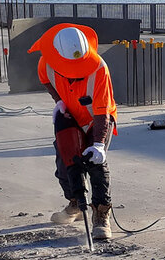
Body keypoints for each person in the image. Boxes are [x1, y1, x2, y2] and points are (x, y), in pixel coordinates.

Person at [30, 24, 118, 240]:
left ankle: (101, 213)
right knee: (65, 162)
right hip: (69, 114)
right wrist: (58, 101)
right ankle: (76, 203)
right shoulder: (47, 62)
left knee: (95, 163)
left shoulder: (99, 69)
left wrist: (98, 144)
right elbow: (46, 81)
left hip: (96, 119)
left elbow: (101, 112)